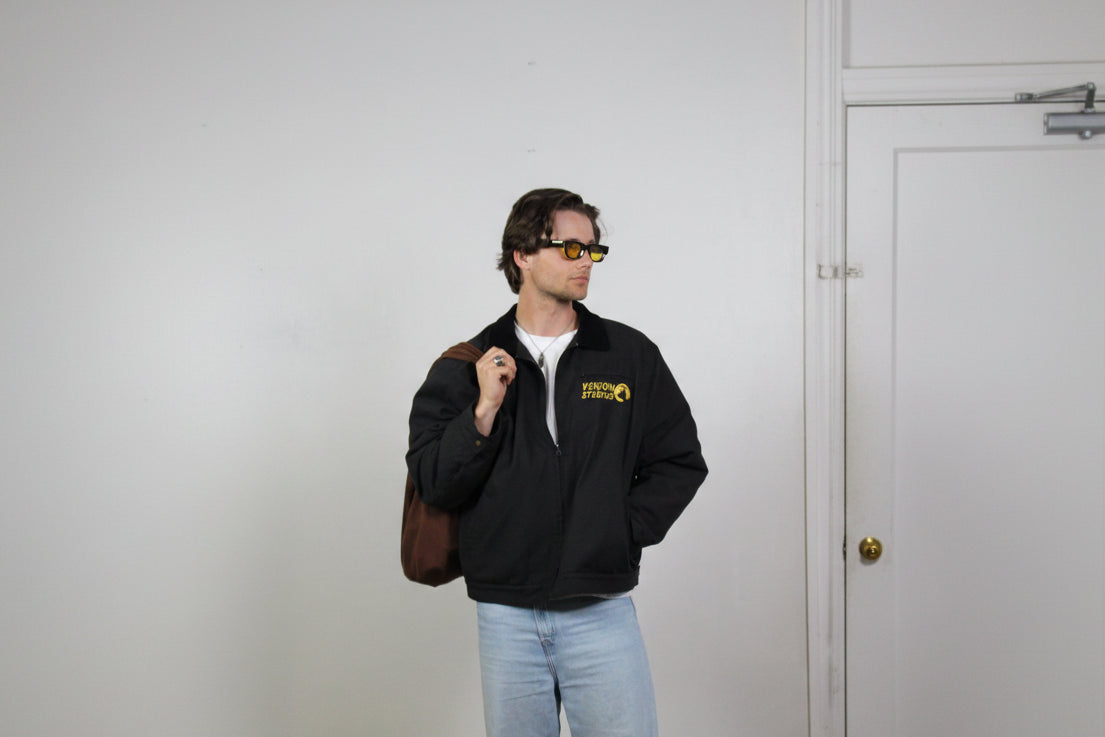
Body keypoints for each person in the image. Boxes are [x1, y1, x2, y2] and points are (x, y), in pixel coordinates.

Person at [406, 188, 707, 736]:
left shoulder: (627, 355)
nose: (586, 260)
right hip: (505, 614)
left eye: (593, 249)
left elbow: (680, 460)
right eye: (570, 248)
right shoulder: (466, 365)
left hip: (601, 608)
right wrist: (483, 411)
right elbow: (433, 481)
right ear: (522, 255)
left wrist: (620, 530)